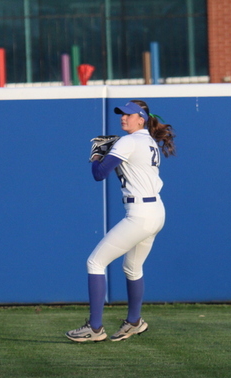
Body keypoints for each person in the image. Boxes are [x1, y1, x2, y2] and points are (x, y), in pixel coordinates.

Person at [66, 99, 176, 342]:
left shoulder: (129, 141)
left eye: (129, 114)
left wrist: (96, 155)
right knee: (132, 267)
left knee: (95, 262)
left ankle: (94, 328)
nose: (123, 118)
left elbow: (99, 174)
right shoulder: (148, 141)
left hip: (140, 214)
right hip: (156, 211)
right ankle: (134, 321)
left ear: (141, 118)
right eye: (121, 114)